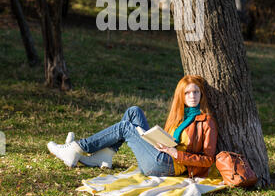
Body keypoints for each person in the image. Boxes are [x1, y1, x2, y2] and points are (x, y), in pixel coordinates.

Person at [47, 75, 218, 178]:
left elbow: (208, 160)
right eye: (187, 92)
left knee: (124, 127)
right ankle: (106, 155)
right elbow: (172, 140)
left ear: (201, 94)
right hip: (159, 156)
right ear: (181, 95)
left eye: (196, 92)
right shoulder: (179, 116)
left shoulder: (206, 121)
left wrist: (176, 153)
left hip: (169, 165)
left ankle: (76, 148)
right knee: (133, 111)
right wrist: (159, 143)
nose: (192, 96)